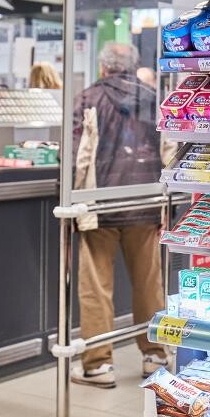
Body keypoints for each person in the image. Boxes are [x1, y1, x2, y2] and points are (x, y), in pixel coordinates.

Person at [71, 41, 168, 388]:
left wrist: (73, 199)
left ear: (102, 67)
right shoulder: (153, 98)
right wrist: (166, 203)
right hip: (145, 203)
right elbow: (168, 148)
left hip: (100, 206)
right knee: (148, 283)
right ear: (133, 66)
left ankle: (98, 364)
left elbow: (81, 155)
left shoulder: (88, 98)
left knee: (96, 286)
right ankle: (154, 354)